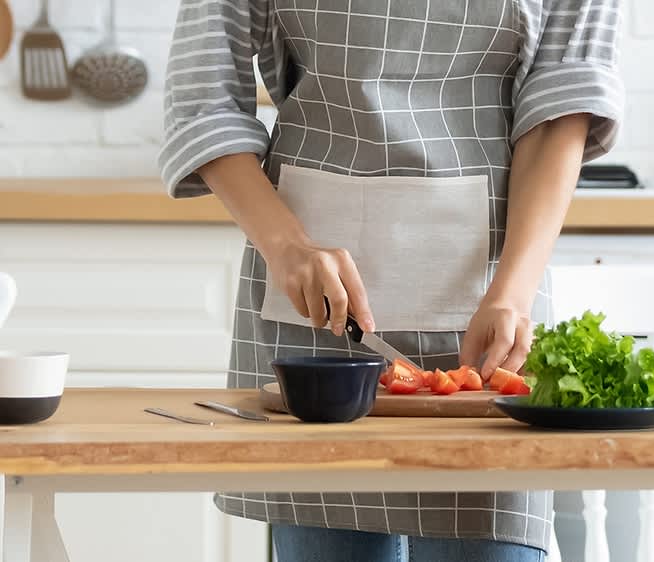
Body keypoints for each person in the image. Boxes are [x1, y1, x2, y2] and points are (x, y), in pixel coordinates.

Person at [159, 0, 623, 560]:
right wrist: (287, 246)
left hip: (494, 291)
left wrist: (513, 290)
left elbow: (560, 107)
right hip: (315, 301)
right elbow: (203, 95)